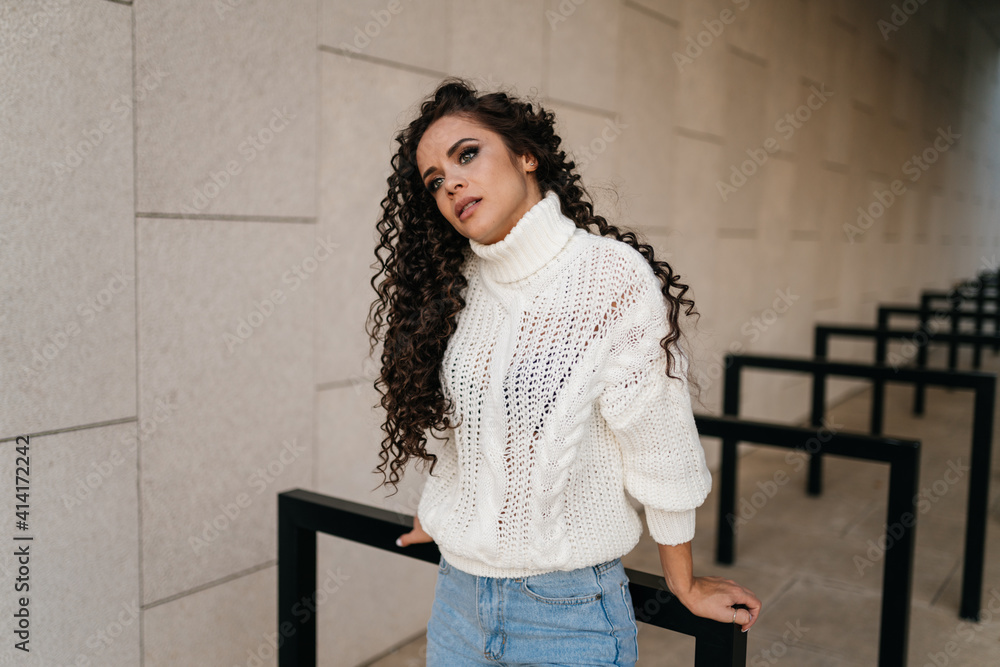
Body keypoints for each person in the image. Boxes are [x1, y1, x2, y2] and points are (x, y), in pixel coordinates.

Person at [366, 77, 761, 666]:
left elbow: (660, 443)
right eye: (434, 182)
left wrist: (684, 582)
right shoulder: (453, 290)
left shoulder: (609, 277)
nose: (451, 184)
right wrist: (442, 513)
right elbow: (462, 432)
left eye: (466, 154)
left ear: (527, 155)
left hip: (567, 613)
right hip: (457, 601)